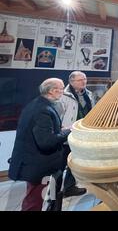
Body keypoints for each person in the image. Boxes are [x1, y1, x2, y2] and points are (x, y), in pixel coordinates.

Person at [8, 78, 70, 211]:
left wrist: (62, 129)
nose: (63, 92)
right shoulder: (43, 109)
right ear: (53, 91)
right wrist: (69, 132)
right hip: (38, 165)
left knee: (51, 195)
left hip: (46, 165)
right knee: (34, 201)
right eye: (62, 89)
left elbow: (46, 132)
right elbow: (46, 142)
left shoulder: (38, 104)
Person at [56, 71, 94, 197]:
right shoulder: (63, 96)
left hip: (81, 134)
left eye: (85, 79)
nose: (84, 82)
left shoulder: (89, 94)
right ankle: (54, 190)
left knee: (74, 162)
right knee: (60, 164)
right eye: (80, 80)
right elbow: (57, 115)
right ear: (71, 82)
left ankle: (69, 187)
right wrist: (61, 129)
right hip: (66, 134)